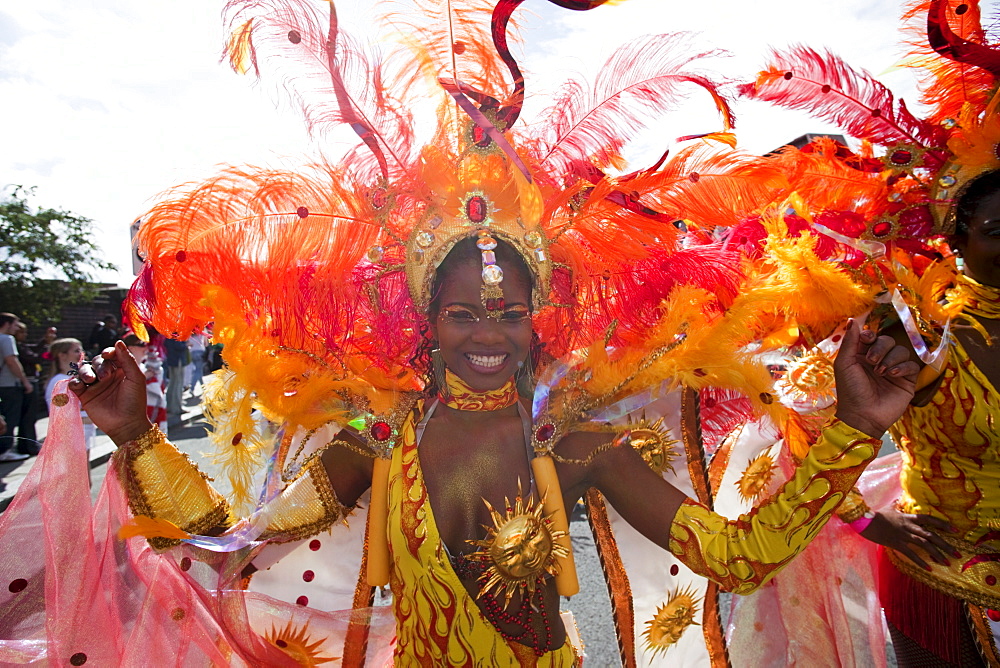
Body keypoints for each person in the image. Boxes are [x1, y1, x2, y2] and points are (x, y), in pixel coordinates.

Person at [44, 338, 95, 452]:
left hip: (82, 431)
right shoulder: (60, 382)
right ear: (62, 356)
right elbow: (62, 413)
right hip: (70, 435)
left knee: (85, 467)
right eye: (77, 351)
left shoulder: (74, 379)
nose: (82, 354)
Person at [0, 313, 32, 462]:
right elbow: (11, 361)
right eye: (14, 325)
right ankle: (4, 450)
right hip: (8, 385)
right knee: (10, 418)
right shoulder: (6, 339)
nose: (16, 329)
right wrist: (25, 381)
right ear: (6, 324)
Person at [123, 333, 169, 434]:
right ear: (130, 348)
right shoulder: (123, 369)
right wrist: (143, 378)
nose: (146, 347)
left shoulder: (148, 367)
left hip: (155, 416)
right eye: (142, 344)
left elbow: (160, 390)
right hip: (135, 421)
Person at [14, 322, 43, 455]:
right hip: (27, 383)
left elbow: (33, 349)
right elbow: (33, 357)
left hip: (28, 382)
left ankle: (26, 445)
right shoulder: (15, 346)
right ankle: (29, 446)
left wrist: (44, 341)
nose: (24, 335)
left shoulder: (21, 346)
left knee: (29, 417)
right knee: (28, 416)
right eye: (21, 332)